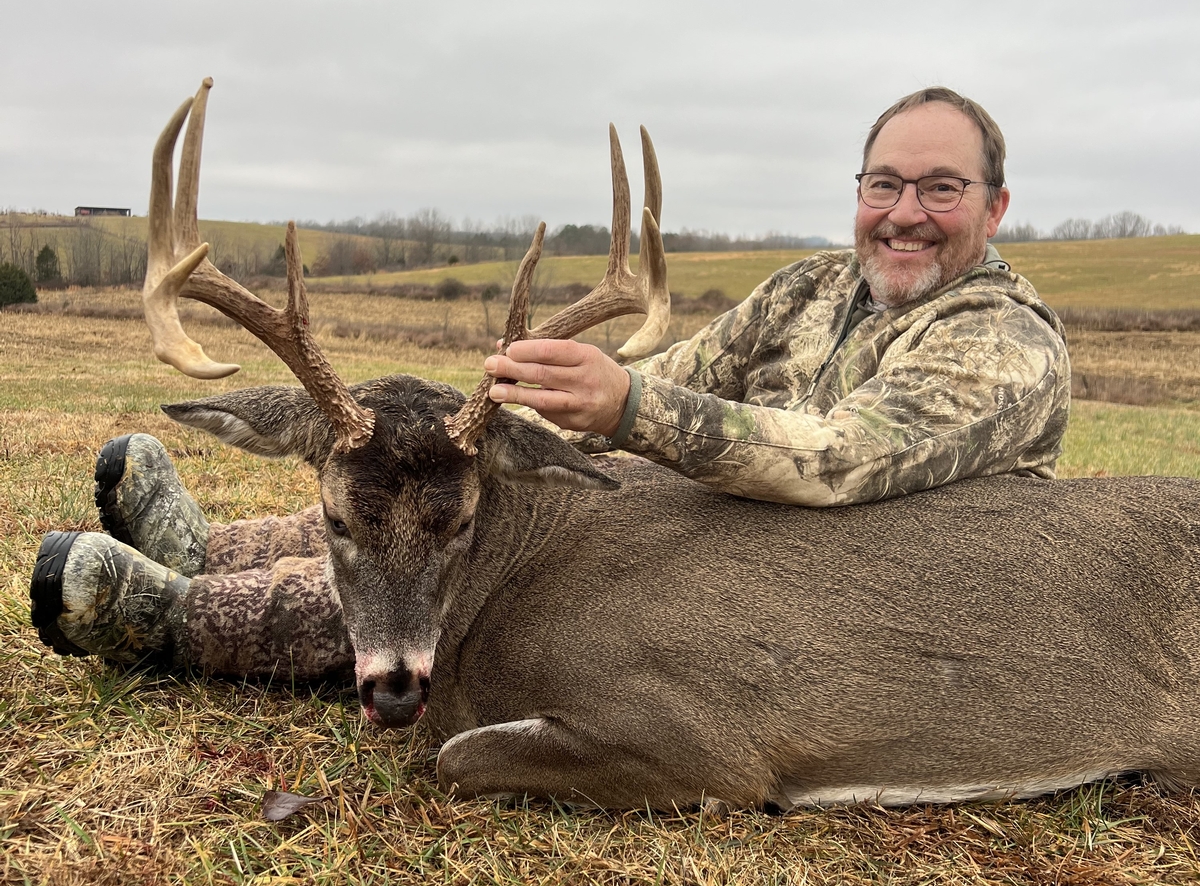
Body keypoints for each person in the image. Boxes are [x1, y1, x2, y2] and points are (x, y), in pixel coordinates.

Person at [31, 86, 1070, 678]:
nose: (905, 211)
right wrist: (480, 422)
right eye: (885, 183)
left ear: (996, 204)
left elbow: (844, 459)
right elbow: (673, 376)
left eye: (942, 187)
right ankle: (212, 547)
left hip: (853, 591)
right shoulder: (813, 286)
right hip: (728, 524)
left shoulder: (1002, 341)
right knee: (452, 498)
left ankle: (175, 618)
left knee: (505, 582)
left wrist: (629, 407)